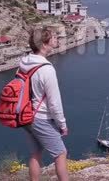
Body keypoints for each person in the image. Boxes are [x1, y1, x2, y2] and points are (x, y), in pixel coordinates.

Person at [21, 27, 69, 181]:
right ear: (43, 44)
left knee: (36, 153)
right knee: (60, 154)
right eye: (54, 38)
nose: (56, 40)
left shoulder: (24, 62)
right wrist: (62, 124)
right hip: (41, 118)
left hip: (26, 115)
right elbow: (54, 103)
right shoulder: (47, 69)